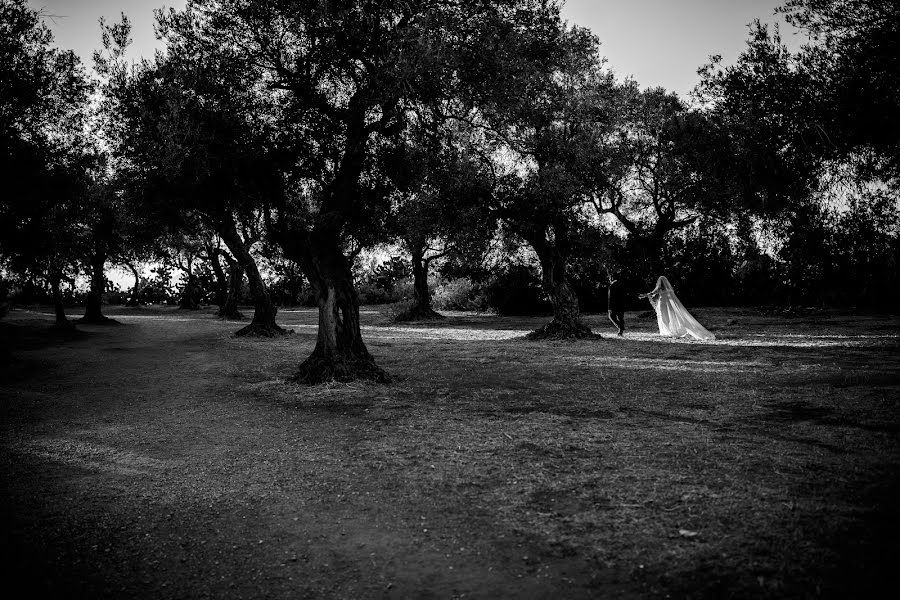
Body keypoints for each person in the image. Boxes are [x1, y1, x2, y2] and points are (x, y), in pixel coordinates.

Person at [639, 276, 715, 340]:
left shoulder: (659, 289)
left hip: (662, 304)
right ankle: (670, 330)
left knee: (663, 317)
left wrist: (643, 295)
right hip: (667, 305)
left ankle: (666, 331)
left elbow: (652, 293)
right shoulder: (669, 289)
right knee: (669, 317)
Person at [607, 272, 625, 336]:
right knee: (620, 317)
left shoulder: (612, 286)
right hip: (621, 303)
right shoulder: (621, 284)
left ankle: (620, 327)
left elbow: (610, 298)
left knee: (611, 316)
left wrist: (609, 307)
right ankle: (621, 330)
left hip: (614, 305)